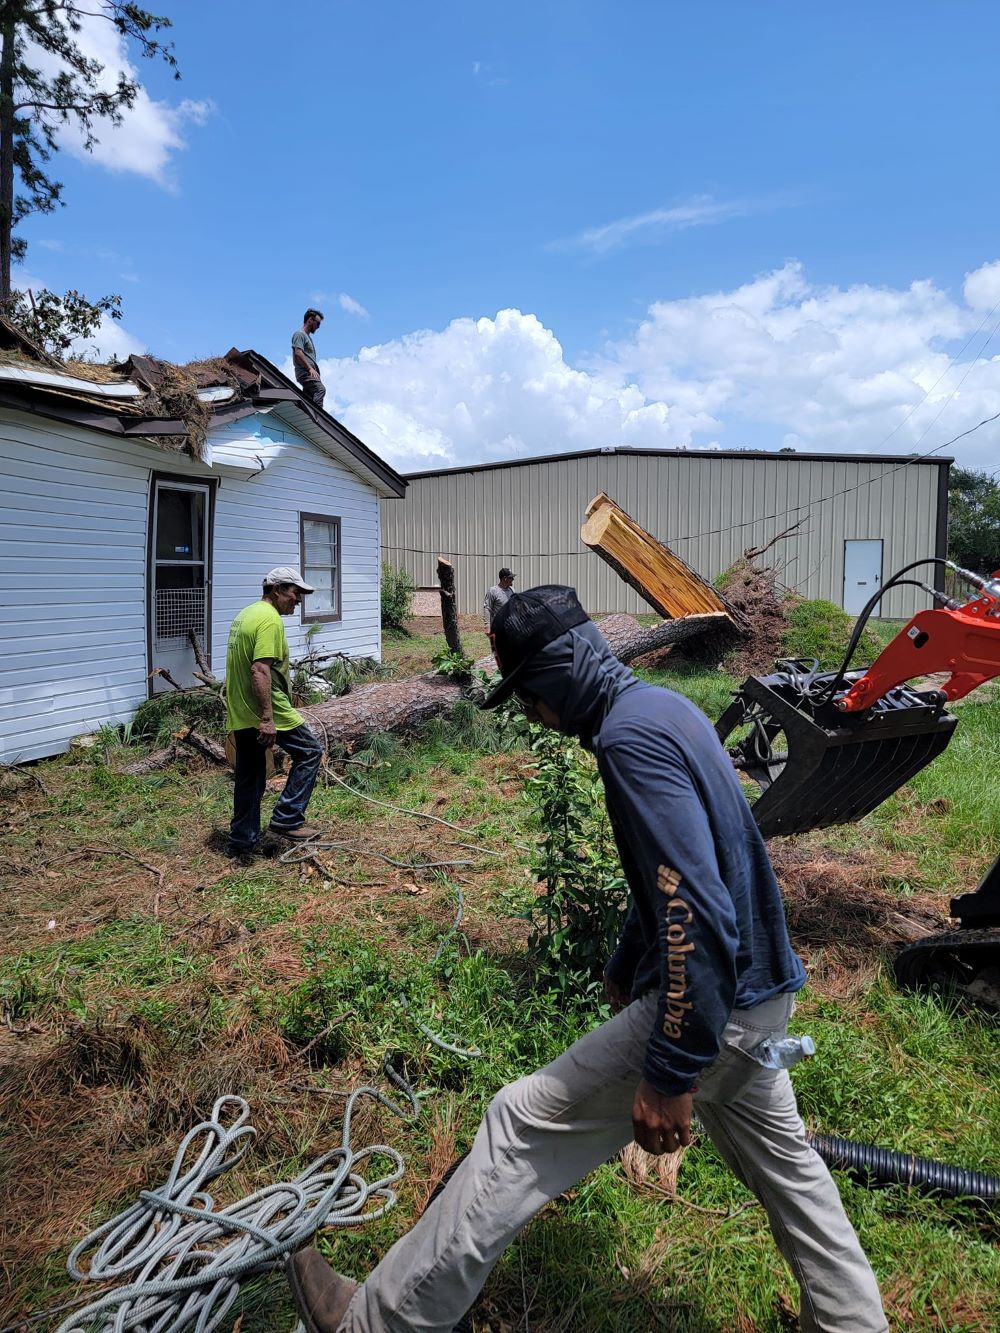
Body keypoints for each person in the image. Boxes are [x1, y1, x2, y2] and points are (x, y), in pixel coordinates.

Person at [285, 584, 888, 1333]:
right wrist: (623, 960)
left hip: (716, 1011)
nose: (532, 714)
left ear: (558, 671)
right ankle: (853, 1323)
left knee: (519, 1124)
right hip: (763, 996)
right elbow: (670, 870)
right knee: (791, 1175)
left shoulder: (628, 742)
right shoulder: (663, 709)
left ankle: (373, 1323)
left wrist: (670, 1072)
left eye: (530, 695)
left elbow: (692, 905)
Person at [225, 567, 324, 859]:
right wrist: (267, 718)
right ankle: (287, 818)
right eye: (295, 593)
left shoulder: (247, 614)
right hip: (268, 711)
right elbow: (259, 669)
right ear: (277, 589)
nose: (299, 600)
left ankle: (241, 842)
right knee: (310, 751)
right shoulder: (269, 621)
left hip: (242, 709)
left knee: (250, 777)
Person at [292, 308, 326, 408]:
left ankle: (305, 418)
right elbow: (298, 353)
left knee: (307, 400)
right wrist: (310, 368)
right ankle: (319, 417)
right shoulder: (299, 334)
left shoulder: (307, 337)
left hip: (309, 373)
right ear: (310, 320)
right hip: (305, 373)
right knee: (320, 390)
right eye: (318, 323)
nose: (318, 327)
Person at [482, 566, 515, 638]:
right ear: (504, 578)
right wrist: (487, 626)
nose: (513, 579)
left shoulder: (512, 590)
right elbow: (487, 608)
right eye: (511, 577)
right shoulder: (493, 591)